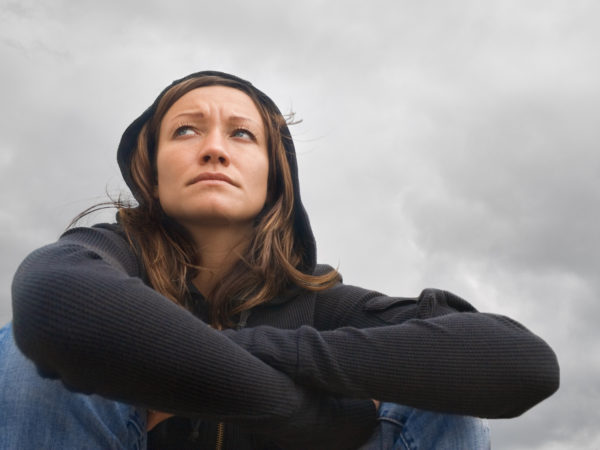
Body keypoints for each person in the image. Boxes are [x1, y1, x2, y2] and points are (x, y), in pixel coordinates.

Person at [1, 71, 559, 449]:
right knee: (27, 352)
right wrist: (314, 414)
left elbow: (521, 363)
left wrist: (210, 359)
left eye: (242, 134)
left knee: (441, 393)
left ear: (275, 176)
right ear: (152, 170)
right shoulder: (106, 254)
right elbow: (57, 307)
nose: (214, 147)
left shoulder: (322, 304)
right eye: (186, 129)